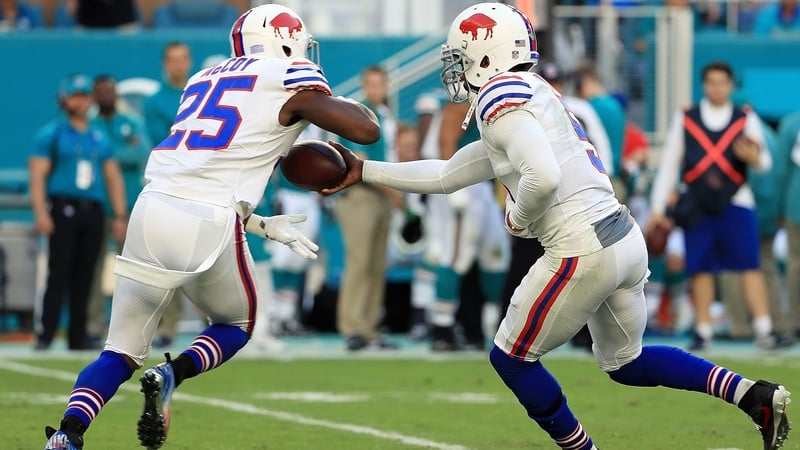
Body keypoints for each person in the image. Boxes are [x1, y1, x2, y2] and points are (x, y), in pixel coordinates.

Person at [321, 4, 791, 450]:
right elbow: (448, 173)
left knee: (511, 358)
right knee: (626, 362)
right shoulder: (535, 95)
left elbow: (541, 176)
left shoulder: (498, 99)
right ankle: (753, 395)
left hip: (580, 244)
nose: (458, 69)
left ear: (487, 55)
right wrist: (365, 170)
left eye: (462, 58)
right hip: (623, 236)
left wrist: (519, 216)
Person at [42, 5, 380, 450]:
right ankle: (172, 372)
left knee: (120, 349)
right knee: (237, 324)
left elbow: (204, 167)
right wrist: (350, 106)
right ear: (284, 41)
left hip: (151, 207)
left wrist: (258, 222)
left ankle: (67, 434)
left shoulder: (203, 79)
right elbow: (366, 130)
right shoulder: (287, 79)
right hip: (208, 218)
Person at [647, 61, 790, 352]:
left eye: (722, 82)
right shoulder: (686, 117)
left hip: (737, 200)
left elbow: (764, 165)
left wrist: (754, 158)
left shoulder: (744, 118)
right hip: (697, 203)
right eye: (711, 82)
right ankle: (703, 330)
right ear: (704, 85)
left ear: (730, 86)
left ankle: (764, 329)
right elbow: (670, 164)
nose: (717, 87)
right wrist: (658, 207)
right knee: (699, 267)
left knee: (749, 265)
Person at [29, 73, 128, 351]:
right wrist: (41, 211)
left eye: (84, 96)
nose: (81, 102)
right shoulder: (53, 133)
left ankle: (78, 334)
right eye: (75, 96)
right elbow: (37, 174)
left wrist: (119, 213)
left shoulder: (98, 136)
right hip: (64, 208)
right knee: (58, 273)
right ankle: (46, 333)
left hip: (93, 210)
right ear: (65, 100)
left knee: (86, 275)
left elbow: (112, 176)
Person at [424, 99, 510, 351]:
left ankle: (493, 326)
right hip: (462, 183)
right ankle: (442, 329)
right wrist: (454, 186)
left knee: (496, 257)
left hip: (482, 185)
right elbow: (446, 139)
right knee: (455, 257)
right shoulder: (465, 101)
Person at [334, 65, 402, 352]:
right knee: (359, 263)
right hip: (360, 195)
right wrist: (394, 191)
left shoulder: (385, 116)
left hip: (382, 195)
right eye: (371, 84)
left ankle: (370, 327)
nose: (376, 88)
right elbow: (359, 161)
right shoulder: (355, 113)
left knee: (376, 265)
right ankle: (352, 327)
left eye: (380, 83)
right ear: (364, 85)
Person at [86, 74, 151, 345]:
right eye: (101, 91)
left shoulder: (131, 123)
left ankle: (136, 327)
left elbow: (141, 154)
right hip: (98, 205)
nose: (106, 96)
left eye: (110, 90)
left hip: (131, 205)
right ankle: (92, 325)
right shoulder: (89, 126)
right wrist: (118, 152)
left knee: (139, 270)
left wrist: (109, 154)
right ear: (94, 96)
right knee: (91, 268)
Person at [142, 41, 193, 349]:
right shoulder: (155, 102)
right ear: (165, 63)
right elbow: (164, 142)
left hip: (203, 181)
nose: (178, 65)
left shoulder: (200, 93)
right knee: (167, 259)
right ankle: (167, 325)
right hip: (172, 183)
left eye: (182, 59)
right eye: (172, 59)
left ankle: (211, 322)